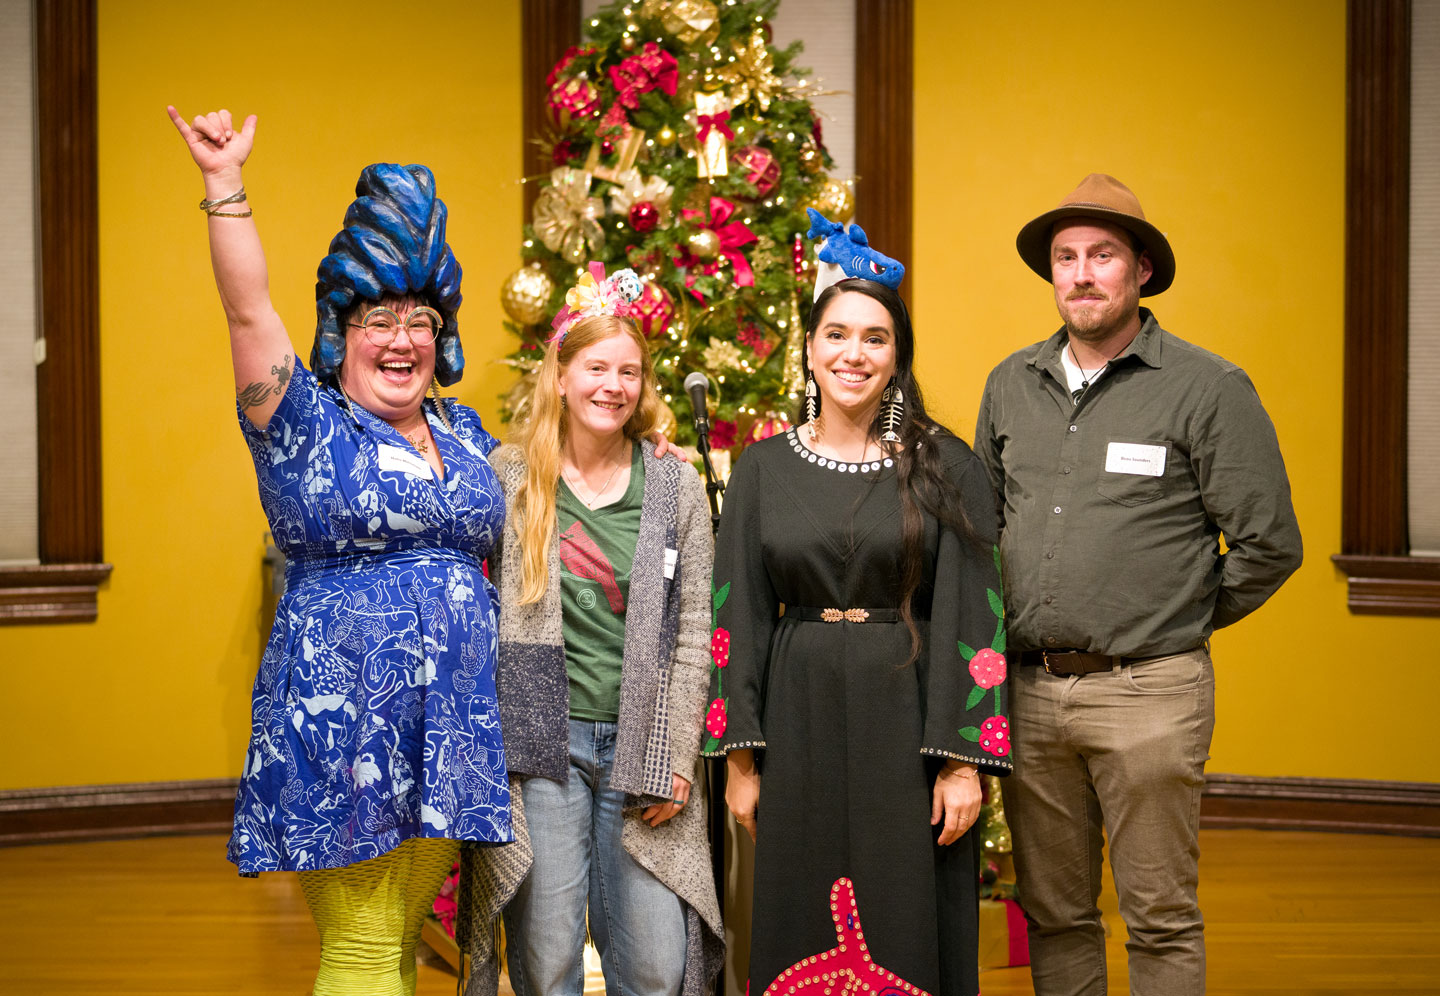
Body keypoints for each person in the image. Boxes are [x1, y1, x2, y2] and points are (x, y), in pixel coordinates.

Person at [168, 106, 511, 996]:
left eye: (420, 320)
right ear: (341, 328)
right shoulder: (300, 422)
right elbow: (246, 305)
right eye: (378, 319)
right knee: (361, 952)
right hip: (343, 718)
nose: (402, 340)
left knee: (399, 946)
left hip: (451, 723)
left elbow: (555, 474)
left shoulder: (464, 429)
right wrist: (223, 187)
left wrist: (651, 445)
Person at [975, 173, 1303, 996]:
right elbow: (980, 528)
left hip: (1151, 691)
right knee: (1054, 912)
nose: (1082, 274)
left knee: (1159, 916)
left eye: (1103, 256)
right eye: (1066, 258)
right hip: (1030, 691)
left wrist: (1175, 614)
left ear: (1142, 271)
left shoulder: (1208, 389)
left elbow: (1270, 544)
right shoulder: (1010, 383)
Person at [704, 221, 1012, 996]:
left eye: (875, 338)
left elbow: (975, 622)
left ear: (897, 356)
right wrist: (741, 762)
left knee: (905, 911)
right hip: (796, 714)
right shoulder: (762, 469)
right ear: (808, 349)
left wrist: (962, 761)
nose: (854, 353)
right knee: (796, 911)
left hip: (905, 718)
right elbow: (734, 616)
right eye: (836, 334)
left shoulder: (948, 468)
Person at [457, 265, 722, 996]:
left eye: (629, 371)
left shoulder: (675, 484)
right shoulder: (511, 478)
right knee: (545, 964)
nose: (613, 385)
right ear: (562, 376)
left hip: (642, 745)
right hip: (544, 746)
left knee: (658, 967)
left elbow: (696, 625)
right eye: (596, 367)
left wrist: (677, 753)